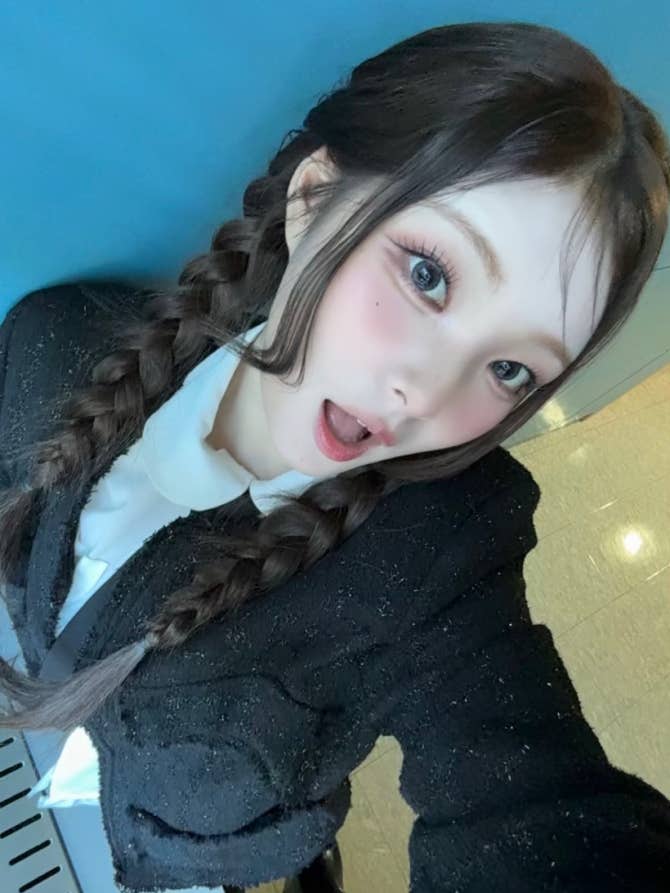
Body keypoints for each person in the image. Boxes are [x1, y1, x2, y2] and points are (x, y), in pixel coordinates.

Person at [1, 18, 669, 893]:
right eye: (429, 275)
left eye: (510, 368)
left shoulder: (443, 557)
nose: (423, 395)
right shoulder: (54, 345)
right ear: (314, 197)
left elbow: (537, 806)